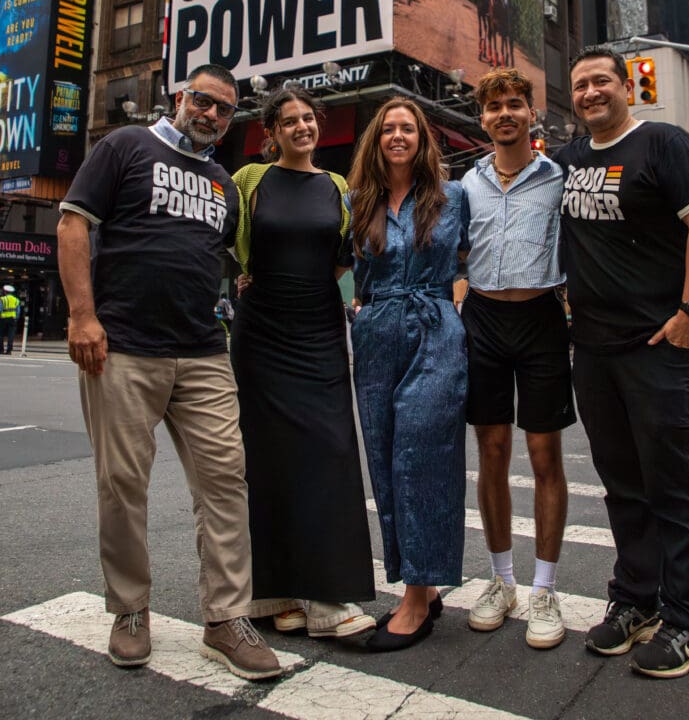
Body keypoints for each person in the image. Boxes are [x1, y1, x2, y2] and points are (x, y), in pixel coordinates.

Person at [56, 64, 280, 681]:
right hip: (122, 345)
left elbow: (231, 260)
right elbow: (72, 223)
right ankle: (130, 611)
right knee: (123, 485)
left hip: (204, 351)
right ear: (181, 98)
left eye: (224, 110)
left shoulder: (223, 185)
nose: (211, 115)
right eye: (203, 101)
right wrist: (82, 317)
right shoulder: (124, 147)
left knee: (226, 482)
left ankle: (225, 619)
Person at [554, 45, 689, 679]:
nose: (591, 92)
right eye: (581, 85)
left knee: (672, 481)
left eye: (602, 81)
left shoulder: (664, 145)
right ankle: (636, 600)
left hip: (660, 344)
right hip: (593, 350)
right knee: (623, 483)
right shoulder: (569, 161)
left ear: (629, 87)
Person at [230, 87, 375, 640]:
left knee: (331, 451)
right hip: (261, 331)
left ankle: (326, 597)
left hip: (318, 330)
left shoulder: (337, 187)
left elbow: (347, 256)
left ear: (319, 125)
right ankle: (274, 596)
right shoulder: (248, 180)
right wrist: (241, 275)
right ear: (271, 133)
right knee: (265, 458)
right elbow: (225, 238)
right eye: (288, 121)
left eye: (307, 119)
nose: (300, 127)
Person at [347, 98, 469, 652]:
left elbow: (481, 260)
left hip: (435, 327)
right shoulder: (358, 201)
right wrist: (353, 306)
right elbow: (333, 265)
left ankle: (418, 596)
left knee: (420, 456)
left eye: (408, 128)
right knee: (384, 457)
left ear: (423, 138)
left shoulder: (454, 196)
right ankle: (418, 580)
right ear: (377, 139)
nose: (398, 136)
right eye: (389, 128)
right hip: (375, 334)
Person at [461, 68, 575, 649]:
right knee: (493, 450)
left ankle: (545, 588)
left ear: (532, 113)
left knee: (543, 451)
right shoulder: (467, 181)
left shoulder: (560, 178)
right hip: (481, 319)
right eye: (494, 107)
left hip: (541, 319)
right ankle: (501, 580)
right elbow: (453, 249)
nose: (504, 114)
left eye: (514, 104)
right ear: (482, 118)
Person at [1, 284, 20, 354]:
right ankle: (9, 350)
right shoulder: (16, 300)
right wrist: (16, 318)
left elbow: (0, 309)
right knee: (11, 335)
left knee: (1, 335)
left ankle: (1, 350)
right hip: (12, 319)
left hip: (3, 319)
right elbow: (18, 311)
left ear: (5, 292)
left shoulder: (2, 299)